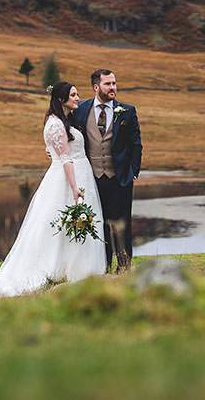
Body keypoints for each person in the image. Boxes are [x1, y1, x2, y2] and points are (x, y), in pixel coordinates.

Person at [0, 81, 105, 297]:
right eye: (73, 94)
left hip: (78, 173)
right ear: (62, 99)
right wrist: (74, 188)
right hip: (68, 178)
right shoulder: (56, 124)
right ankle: (57, 267)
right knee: (60, 221)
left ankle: (69, 266)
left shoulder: (62, 121)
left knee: (65, 223)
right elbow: (65, 160)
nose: (78, 97)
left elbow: (60, 150)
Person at [71, 68, 142, 273]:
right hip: (92, 178)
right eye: (108, 84)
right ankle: (102, 266)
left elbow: (136, 143)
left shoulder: (127, 111)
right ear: (96, 87)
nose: (113, 87)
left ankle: (124, 266)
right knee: (98, 223)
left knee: (122, 223)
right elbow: (66, 130)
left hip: (119, 178)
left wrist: (133, 171)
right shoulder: (81, 109)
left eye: (114, 83)